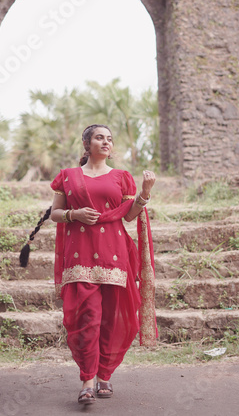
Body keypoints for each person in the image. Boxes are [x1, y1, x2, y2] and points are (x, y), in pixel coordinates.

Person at [49, 124, 157, 405]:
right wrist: (74, 214)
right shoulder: (68, 176)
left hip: (114, 255)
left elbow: (130, 215)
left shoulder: (121, 177)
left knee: (111, 317)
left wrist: (144, 193)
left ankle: (104, 376)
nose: (106, 142)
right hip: (80, 257)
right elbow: (55, 213)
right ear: (87, 143)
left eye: (109, 139)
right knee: (88, 318)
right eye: (99, 137)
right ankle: (87, 380)